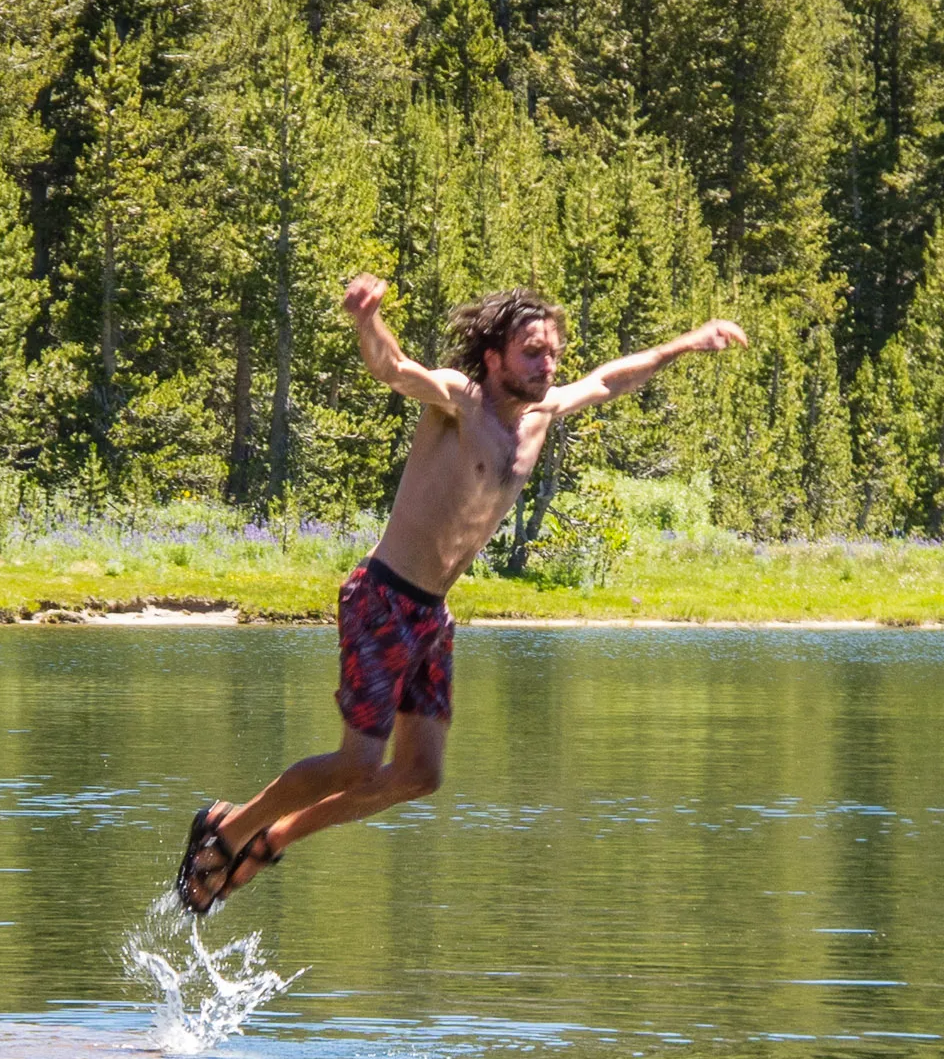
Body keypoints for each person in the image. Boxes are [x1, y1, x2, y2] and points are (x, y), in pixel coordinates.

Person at [175, 277, 747, 913]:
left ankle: (274, 838)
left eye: (552, 352)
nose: (547, 364)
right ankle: (226, 827)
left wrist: (689, 343)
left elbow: (614, 379)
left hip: (431, 615)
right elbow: (394, 369)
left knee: (421, 775)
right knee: (357, 764)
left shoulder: (542, 416)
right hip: (383, 597)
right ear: (496, 357)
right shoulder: (459, 401)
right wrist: (368, 320)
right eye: (532, 351)